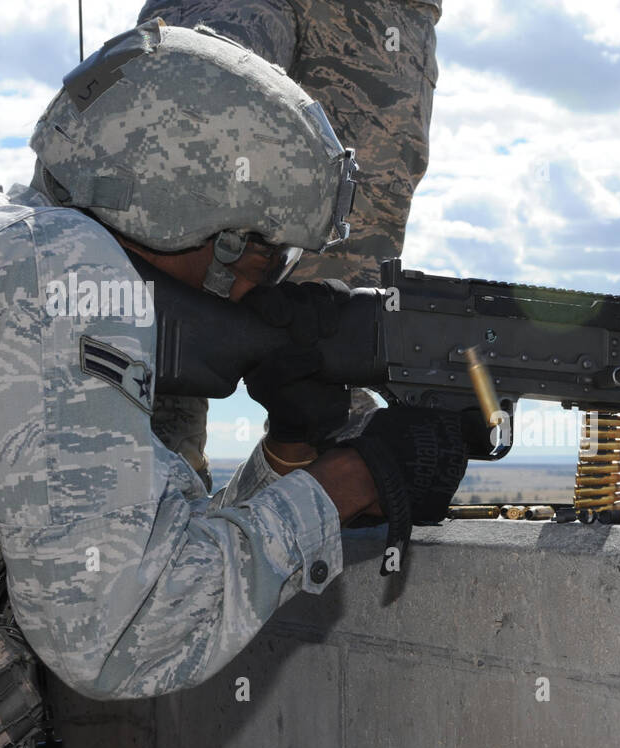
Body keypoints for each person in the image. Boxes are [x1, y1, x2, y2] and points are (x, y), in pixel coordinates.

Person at [0, 19, 466, 748]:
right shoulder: (67, 272)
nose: (255, 285)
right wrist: (352, 481)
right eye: (264, 256)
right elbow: (122, 629)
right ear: (206, 220)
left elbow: (144, 544)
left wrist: (295, 447)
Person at [136, 0, 442, 490]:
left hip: (379, 16)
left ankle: (319, 482)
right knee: (172, 183)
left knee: (334, 322)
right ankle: (136, 491)